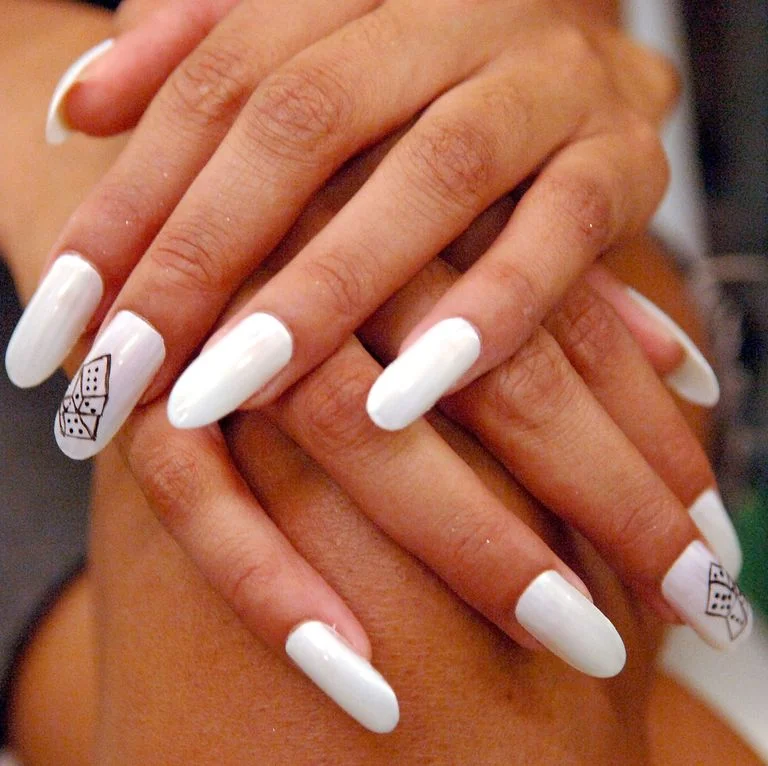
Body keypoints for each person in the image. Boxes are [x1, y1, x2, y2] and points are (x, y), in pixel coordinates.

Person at [0, 1, 760, 763]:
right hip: (57, 140)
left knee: (372, 542)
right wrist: (48, 92)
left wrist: (516, 47)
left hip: (427, 115)